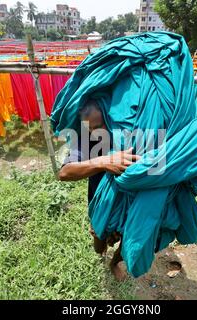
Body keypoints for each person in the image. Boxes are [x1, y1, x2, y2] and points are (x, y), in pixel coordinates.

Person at [58, 99, 140, 281]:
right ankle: (101, 254)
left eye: (100, 125)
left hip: (130, 206)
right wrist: (103, 162)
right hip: (101, 206)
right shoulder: (88, 140)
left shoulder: (133, 136)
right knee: (98, 240)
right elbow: (64, 173)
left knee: (126, 243)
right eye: (91, 128)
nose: (97, 132)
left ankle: (115, 263)